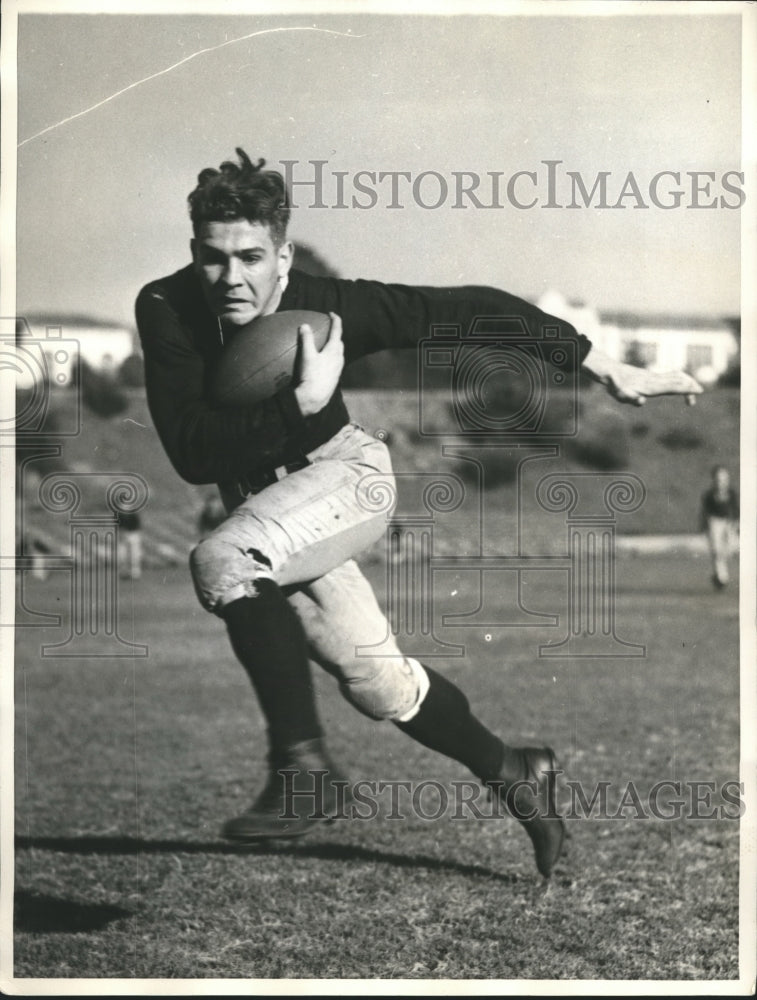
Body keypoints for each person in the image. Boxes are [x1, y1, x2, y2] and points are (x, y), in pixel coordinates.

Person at [135, 149, 701, 878]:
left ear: (282, 253)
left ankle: (302, 770)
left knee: (221, 559)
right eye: (214, 259)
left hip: (344, 477)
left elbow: (468, 309)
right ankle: (517, 772)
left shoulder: (326, 305)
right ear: (193, 254)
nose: (232, 278)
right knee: (379, 683)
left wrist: (597, 363)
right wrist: (295, 403)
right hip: (267, 508)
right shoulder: (166, 307)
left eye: (251, 256)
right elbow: (190, 453)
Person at [701, 465, 739, 590]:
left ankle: (719, 575)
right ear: (714, 480)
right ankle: (722, 577)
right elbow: (706, 512)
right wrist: (706, 525)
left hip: (728, 522)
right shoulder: (709, 495)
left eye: (724, 479)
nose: (721, 483)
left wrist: (736, 523)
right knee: (717, 550)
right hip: (714, 522)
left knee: (730, 549)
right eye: (718, 480)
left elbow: (736, 510)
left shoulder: (732, 493)